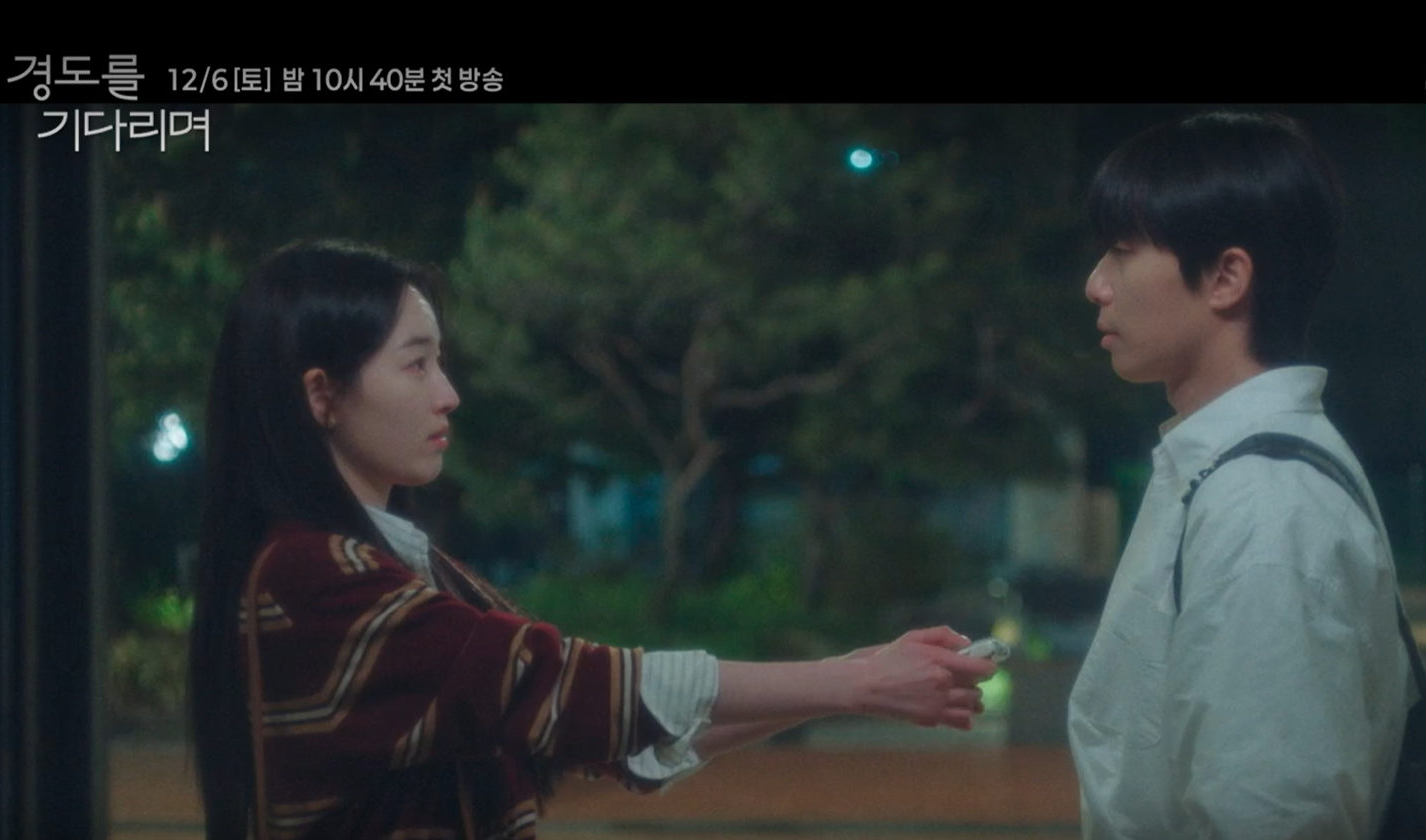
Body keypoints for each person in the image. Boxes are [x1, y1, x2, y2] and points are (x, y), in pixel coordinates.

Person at [189, 240, 997, 840]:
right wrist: (851, 684)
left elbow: (607, 738)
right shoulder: (313, 576)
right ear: (322, 396)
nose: (449, 394)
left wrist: (850, 677)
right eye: (416, 365)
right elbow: (575, 687)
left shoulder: (397, 567)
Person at [1069, 112, 1414, 839]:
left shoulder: (1265, 506)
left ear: (1227, 277)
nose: (1096, 284)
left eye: (1123, 252)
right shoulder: (1230, 471)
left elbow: (1273, 814)